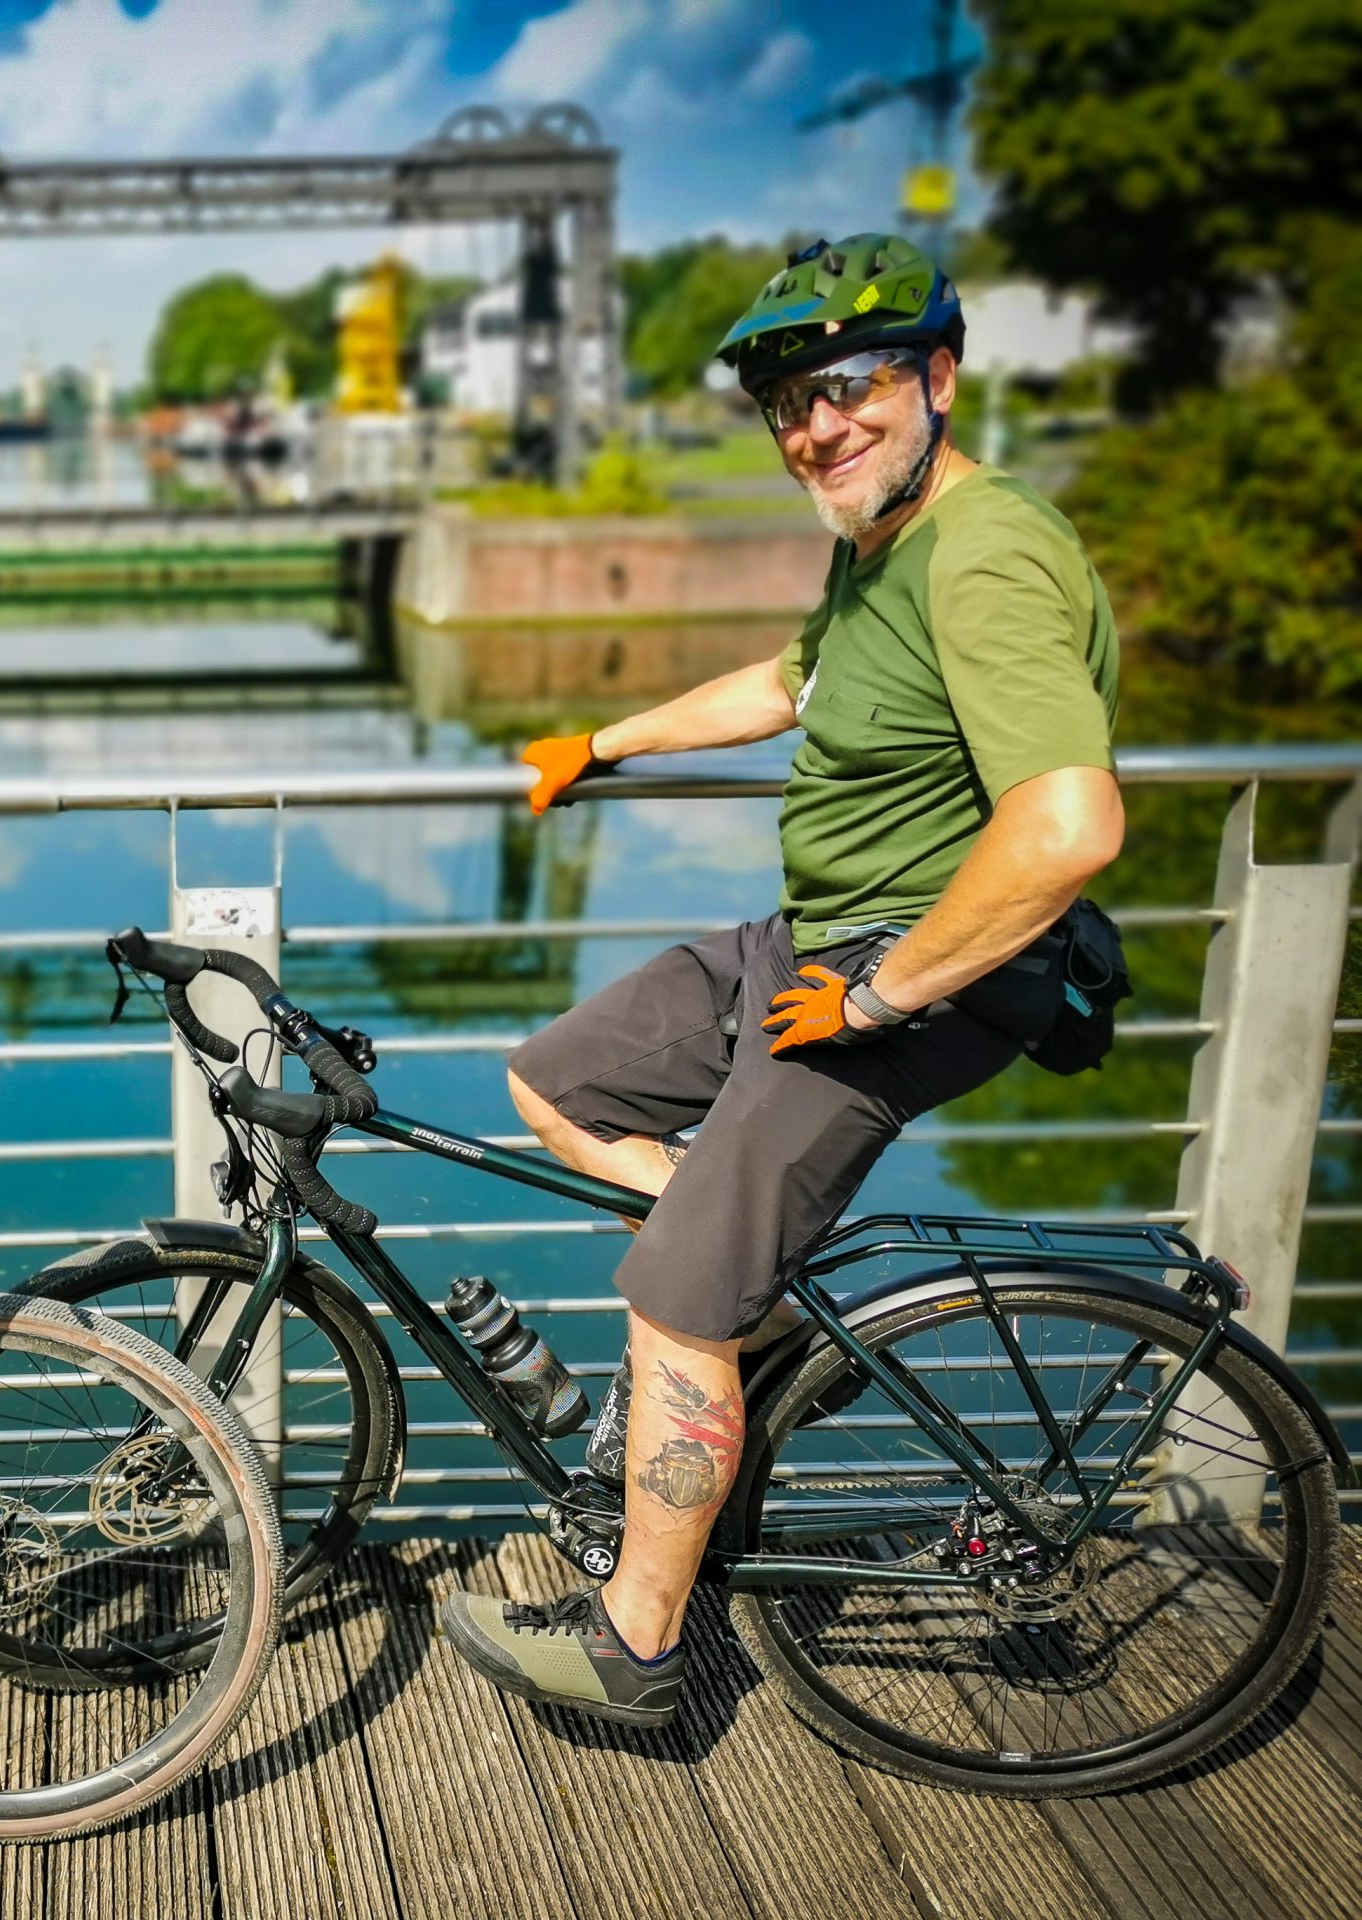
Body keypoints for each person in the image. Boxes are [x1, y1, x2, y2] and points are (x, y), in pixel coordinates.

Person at [439, 234, 1125, 1726]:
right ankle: (757, 1303)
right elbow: (784, 685)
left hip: (903, 974)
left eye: (849, 386)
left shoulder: (990, 550)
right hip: (802, 940)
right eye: (788, 404)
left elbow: (1070, 824)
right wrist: (601, 741)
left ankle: (636, 1649)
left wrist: (882, 1000)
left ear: (939, 377)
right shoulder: (878, 540)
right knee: (554, 1078)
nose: (814, 427)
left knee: (672, 1305)